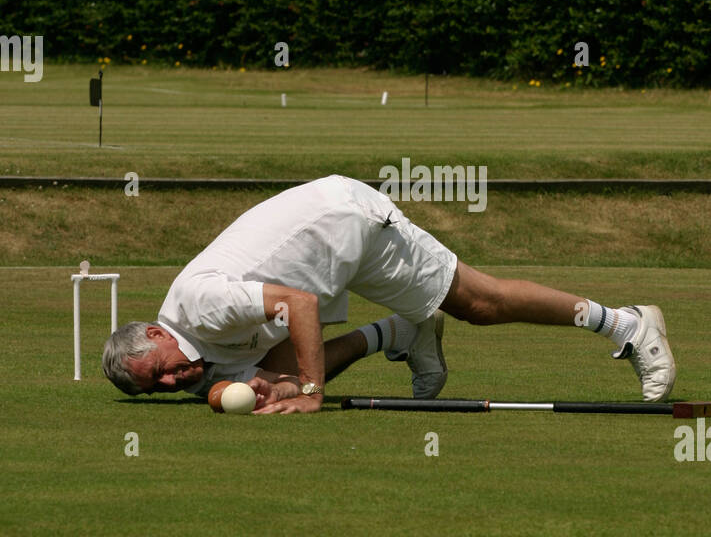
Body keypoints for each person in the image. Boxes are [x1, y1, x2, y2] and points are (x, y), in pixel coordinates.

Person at [102, 175, 676, 415]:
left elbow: (296, 306)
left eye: (164, 369)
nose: (175, 380)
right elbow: (228, 384)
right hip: (321, 258)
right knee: (274, 379)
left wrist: (311, 391)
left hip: (345, 221)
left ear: (157, 333)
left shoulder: (199, 306)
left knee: (480, 304)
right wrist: (233, 388)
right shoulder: (188, 354)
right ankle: (400, 331)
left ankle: (625, 323)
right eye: (161, 388)